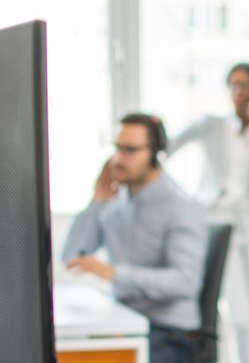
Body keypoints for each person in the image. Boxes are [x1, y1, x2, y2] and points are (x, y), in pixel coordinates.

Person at [62, 113, 208, 363]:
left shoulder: (180, 206)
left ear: (155, 153)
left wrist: (115, 273)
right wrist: (96, 200)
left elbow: (186, 282)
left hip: (168, 333)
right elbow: (72, 256)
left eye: (130, 150)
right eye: (117, 149)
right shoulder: (114, 202)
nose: (118, 159)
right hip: (124, 321)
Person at [167, 62, 249, 362]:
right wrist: (188, 201)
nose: (237, 92)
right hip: (218, 221)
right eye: (233, 84)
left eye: (244, 85)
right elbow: (165, 148)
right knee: (239, 315)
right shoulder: (211, 125)